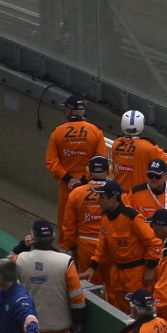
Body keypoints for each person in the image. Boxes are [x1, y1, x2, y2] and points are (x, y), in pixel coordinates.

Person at [45, 95, 105, 244]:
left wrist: (69, 179)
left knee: (66, 222)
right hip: (91, 187)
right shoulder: (96, 131)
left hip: (67, 187)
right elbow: (101, 162)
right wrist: (84, 180)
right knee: (91, 220)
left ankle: (67, 255)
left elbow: (51, 162)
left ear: (69, 110)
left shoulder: (58, 132)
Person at [94, 180, 160, 300]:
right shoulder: (105, 217)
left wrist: (150, 268)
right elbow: (102, 244)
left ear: (113, 198)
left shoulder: (132, 217)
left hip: (136, 274)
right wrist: (93, 265)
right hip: (117, 272)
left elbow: (153, 242)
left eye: (102, 197)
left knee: (140, 309)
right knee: (119, 311)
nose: (98, 201)